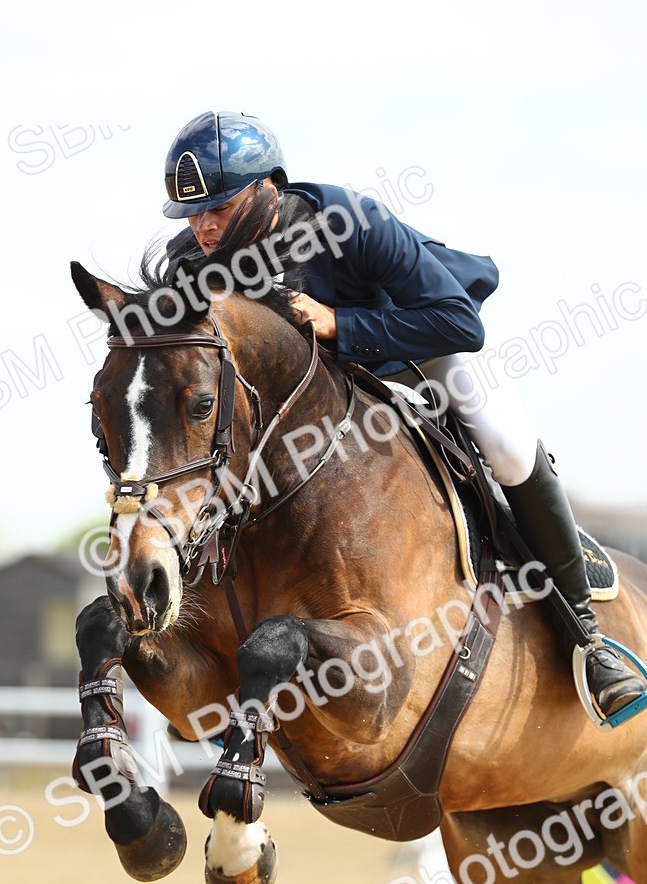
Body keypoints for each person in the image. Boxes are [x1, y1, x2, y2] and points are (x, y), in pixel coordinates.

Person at [159, 109, 646, 721]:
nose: (203, 229)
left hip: (422, 343)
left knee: (507, 446)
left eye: (218, 209)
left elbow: (459, 323)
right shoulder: (195, 263)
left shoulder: (347, 222)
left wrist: (341, 323)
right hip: (325, 393)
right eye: (193, 214)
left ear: (268, 189)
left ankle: (589, 639)